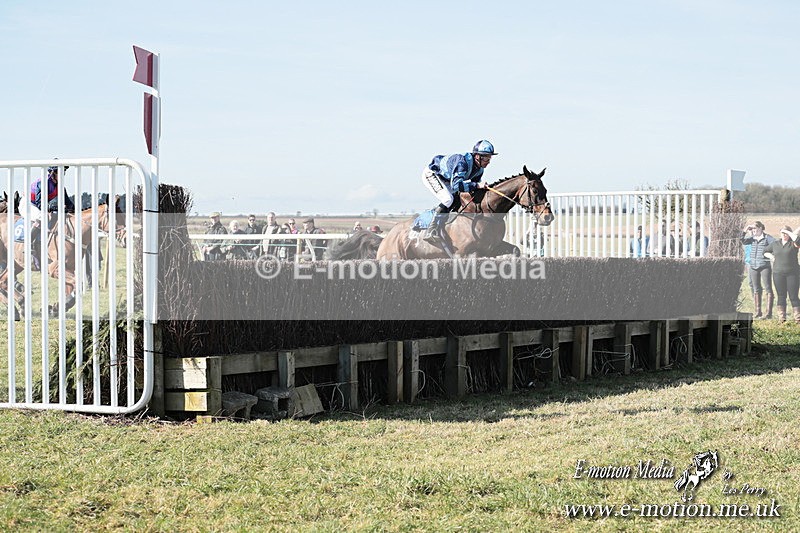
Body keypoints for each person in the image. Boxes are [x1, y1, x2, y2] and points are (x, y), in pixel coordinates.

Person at [420, 140, 496, 242]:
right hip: (433, 174)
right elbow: (456, 186)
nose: (489, 161)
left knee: (457, 199)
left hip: (448, 179)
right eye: (487, 157)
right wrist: (477, 185)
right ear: (478, 156)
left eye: (490, 158)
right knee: (448, 199)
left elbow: (473, 190)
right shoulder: (462, 163)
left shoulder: (479, 170)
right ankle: (431, 230)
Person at [763, 225, 800, 323]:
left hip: (793, 274)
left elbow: (798, 241)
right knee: (781, 295)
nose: (784, 235)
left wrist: (790, 233)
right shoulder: (775, 244)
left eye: (786, 233)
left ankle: (797, 319)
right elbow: (765, 251)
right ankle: (782, 318)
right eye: (782, 233)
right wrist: (771, 257)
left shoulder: (793, 244)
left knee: (793, 296)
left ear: (789, 234)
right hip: (778, 273)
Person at [741, 221, 776, 319]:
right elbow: (742, 240)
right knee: (756, 289)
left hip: (765, 266)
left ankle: (768, 313)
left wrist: (771, 255)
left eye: (755, 229)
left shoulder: (767, 238)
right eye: (752, 229)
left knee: (768, 288)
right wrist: (745, 230)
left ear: (760, 228)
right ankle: (758, 311)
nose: (753, 231)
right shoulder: (752, 239)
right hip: (753, 266)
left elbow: (775, 245)